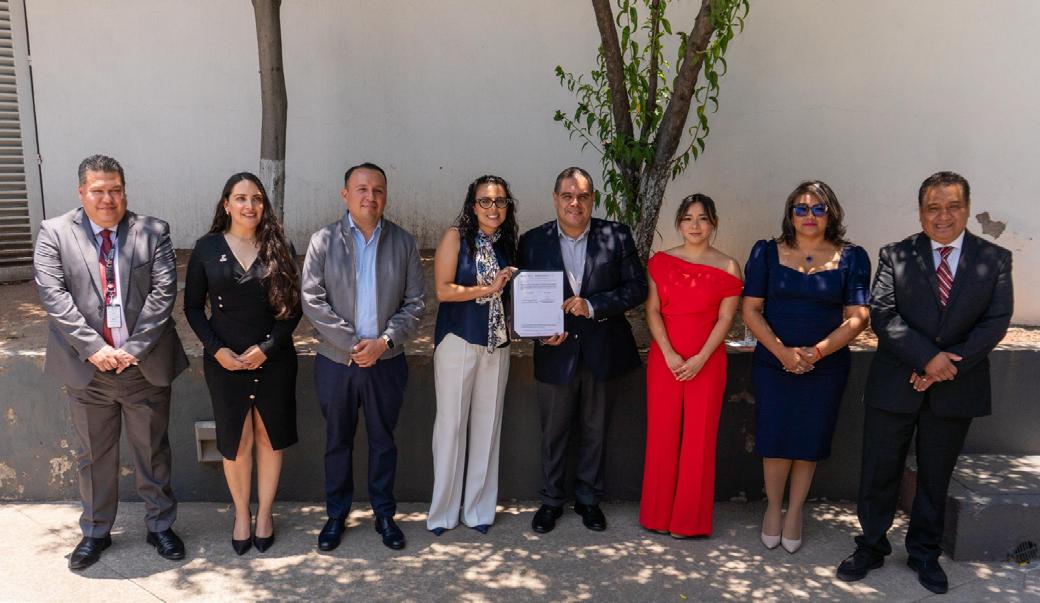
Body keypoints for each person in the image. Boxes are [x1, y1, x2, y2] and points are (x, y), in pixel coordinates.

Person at [836, 172, 1013, 594]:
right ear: (920, 212)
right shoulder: (895, 255)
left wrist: (945, 366)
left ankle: (924, 553)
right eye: (933, 207)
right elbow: (883, 313)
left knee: (935, 475)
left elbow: (996, 320)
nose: (942, 216)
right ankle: (871, 546)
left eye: (952, 206)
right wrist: (926, 358)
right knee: (879, 470)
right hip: (895, 381)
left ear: (967, 208)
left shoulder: (995, 258)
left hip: (956, 384)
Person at [33, 154, 188, 571]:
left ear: (125, 191)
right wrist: (93, 348)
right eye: (98, 190)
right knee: (93, 456)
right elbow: (54, 297)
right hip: (88, 371)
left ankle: (160, 526)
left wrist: (133, 348)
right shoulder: (54, 233)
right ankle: (96, 532)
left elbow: (163, 293)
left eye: (115, 190)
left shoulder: (153, 231)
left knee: (153, 450)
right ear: (81, 192)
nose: (108, 199)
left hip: (143, 366)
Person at [302, 162, 426, 551]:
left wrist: (384, 342)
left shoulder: (403, 243)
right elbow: (312, 299)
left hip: (386, 361)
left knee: (383, 441)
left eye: (377, 190)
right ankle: (336, 515)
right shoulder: (323, 241)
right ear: (346, 195)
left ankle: (384, 514)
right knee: (337, 440)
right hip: (336, 362)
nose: (370, 197)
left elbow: (416, 303)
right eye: (361, 189)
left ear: (385, 196)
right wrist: (354, 345)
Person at [742, 180, 871, 554]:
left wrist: (817, 352)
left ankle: (795, 511)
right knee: (775, 438)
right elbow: (750, 309)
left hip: (825, 366)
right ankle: (773, 508)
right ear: (790, 214)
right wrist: (782, 353)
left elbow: (858, 317)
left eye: (818, 208)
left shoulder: (852, 257)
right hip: (773, 363)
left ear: (831, 213)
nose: (809, 215)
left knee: (808, 441)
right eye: (800, 208)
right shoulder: (766, 252)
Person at [519, 167, 648, 534]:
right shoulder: (533, 241)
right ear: (555, 199)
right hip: (554, 352)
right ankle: (551, 501)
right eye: (567, 196)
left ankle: (589, 499)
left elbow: (637, 288)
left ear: (593, 199)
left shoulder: (616, 236)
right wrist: (539, 334)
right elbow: (522, 296)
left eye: (583, 196)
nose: (575, 203)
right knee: (553, 432)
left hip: (603, 349)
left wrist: (593, 305)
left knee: (595, 430)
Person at [183, 173, 302, 555]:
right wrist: (217, 350)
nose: (249, 205)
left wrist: (267, 348)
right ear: (226, 204)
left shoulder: (280, 247)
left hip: (273, 360)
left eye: (257, 199)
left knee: (268, 435)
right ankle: (240, 514)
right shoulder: (206, 248)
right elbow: (192, 308)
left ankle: (264, 514)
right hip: (225, 362)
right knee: (238, 440)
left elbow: (293, 310)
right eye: (241, 198)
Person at [639, 194, 742, 538]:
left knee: (700, 438)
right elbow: (652, 310)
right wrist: (668, 353)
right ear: (679, 224)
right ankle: (656, 515)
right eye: (687, 218)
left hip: (707, 361)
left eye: (702, 218)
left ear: (713, 223)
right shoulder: (660, 262)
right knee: (662, 434)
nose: (695, 225)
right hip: (665, 359)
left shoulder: (729, 266)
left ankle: (689, 521)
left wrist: (701, 358)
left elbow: (726, 318)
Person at [427, 175, 518, 536]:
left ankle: (479, 510)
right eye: (485, 201)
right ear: (472, 205)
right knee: (450, 427)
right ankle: (443, 513)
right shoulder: (456, 237)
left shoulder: (507, 243)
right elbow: (443, 290)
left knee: (488, 426)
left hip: (497, 344)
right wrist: (488, 288)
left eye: (500, 201)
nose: (493, 208)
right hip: (458, 339)